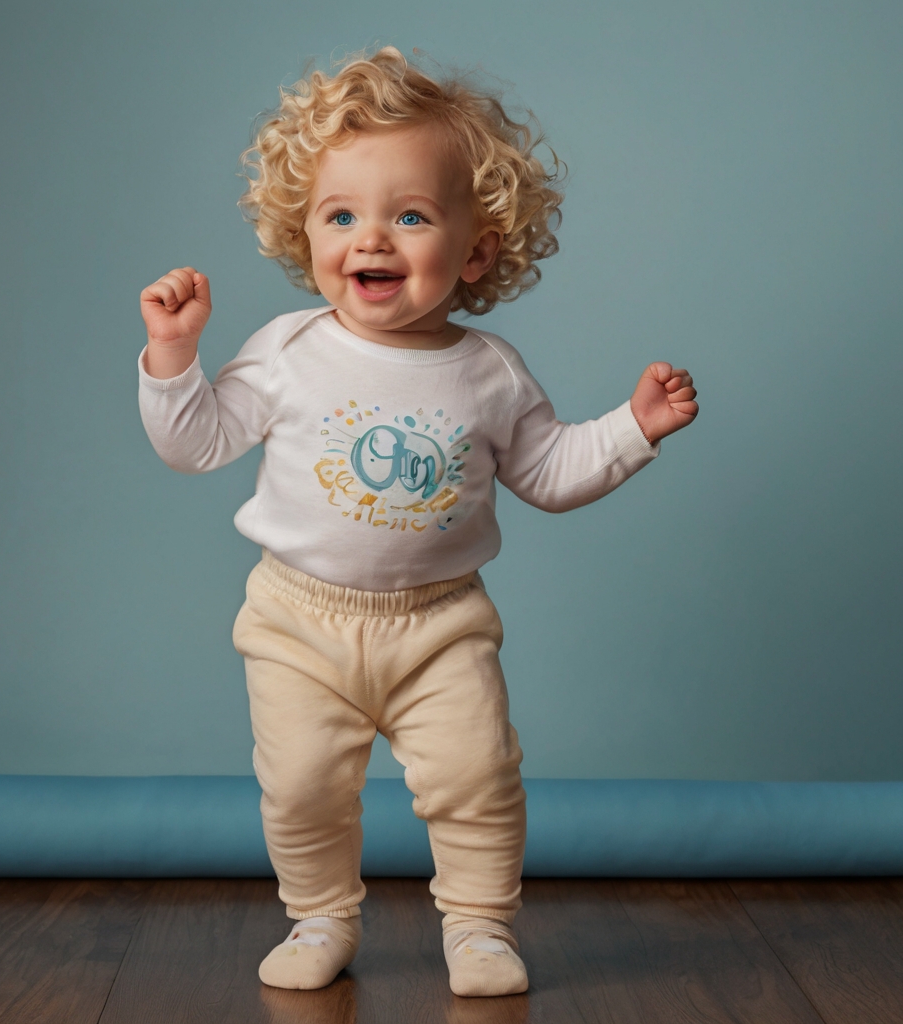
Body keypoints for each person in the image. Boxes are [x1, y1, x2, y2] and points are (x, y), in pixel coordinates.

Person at [137, 47, 698, 997]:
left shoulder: (491, 372)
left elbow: (551, 472)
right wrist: (172, 356)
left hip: (440, 624)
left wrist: (632, 429)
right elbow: (194, 444)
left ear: (475, 249)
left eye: (411, 216)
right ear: (305, 231)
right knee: (304, 787)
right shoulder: (286, 351)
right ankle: (321, 917)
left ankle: (480, 928)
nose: (373, 239)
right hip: (296, 622)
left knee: (479, 778)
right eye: (342, 215)